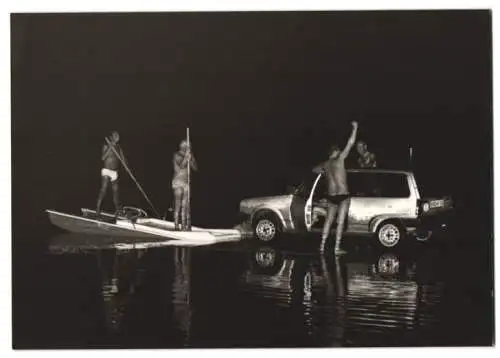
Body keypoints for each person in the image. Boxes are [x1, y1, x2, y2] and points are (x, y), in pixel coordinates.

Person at [313, 121, 358, 255]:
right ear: (336, 151)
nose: (340, 151)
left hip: (331, 196)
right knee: (340, 222)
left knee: (328, 220)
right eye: (338, 150)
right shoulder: (341, 159)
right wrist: (355, 128)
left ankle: (322, 246)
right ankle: (336, 248)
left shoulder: (325, 164)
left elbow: (314, 169)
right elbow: (350, 143)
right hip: (343, 196)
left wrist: (323, 172)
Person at [96, 131, 126, 217]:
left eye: (118, 135)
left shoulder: (119, 148)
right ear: (111, 137)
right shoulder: (106, 145)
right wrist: (110, 147)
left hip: (114, 172)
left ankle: (118, 210)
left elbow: (123, 160)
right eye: (115, 135)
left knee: (116, 192)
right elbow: (103, 157)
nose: (117, 136)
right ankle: (97, 208)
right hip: (106, 170)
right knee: (103, 190)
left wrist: (127, 168)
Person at [172, 140, 197, 231]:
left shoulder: (189, 155)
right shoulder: (177, 155)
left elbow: (195, 168)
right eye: (187, 146)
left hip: (186, 183)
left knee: (185, 205)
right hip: (178, 182)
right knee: (178, 205)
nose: (188, 147)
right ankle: (176, 225)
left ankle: (184, 225)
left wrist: (191, 159)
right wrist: (186, 158)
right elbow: (181, 166)